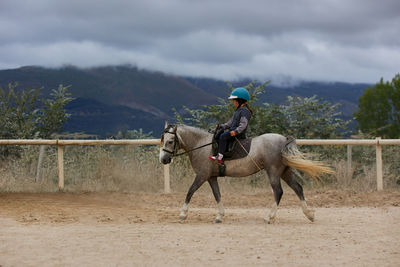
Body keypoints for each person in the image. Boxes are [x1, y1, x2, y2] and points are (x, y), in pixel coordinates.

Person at [209, 87, 253, 164]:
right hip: (232, 131)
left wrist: (236, 131)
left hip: (238, 134)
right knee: (219, 134)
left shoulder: (245, 111)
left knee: (223, 136)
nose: (233, 102)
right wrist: (221, 126)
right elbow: (230, 122)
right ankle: (219, 153)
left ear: (240, 100)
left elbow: (243, 124)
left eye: (234, 100)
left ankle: (219, 157)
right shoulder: (238, 110)